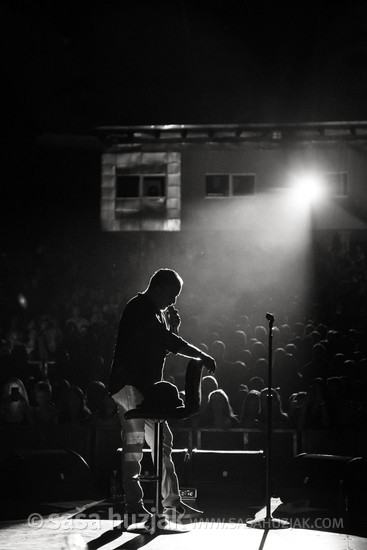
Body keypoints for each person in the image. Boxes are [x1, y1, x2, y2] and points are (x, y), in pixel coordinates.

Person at [108, 268, 216, 526]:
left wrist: (174, 326)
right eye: (173, 294)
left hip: (142, 389)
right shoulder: (140, 308)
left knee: (162, 441)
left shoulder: (155, 313)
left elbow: (158, 347)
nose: (175, 301)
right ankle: (135, 505)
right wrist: (199, 354)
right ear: (158, 288)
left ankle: (171, 504)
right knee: (135, 446)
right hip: (130, 387)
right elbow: (164, 341)